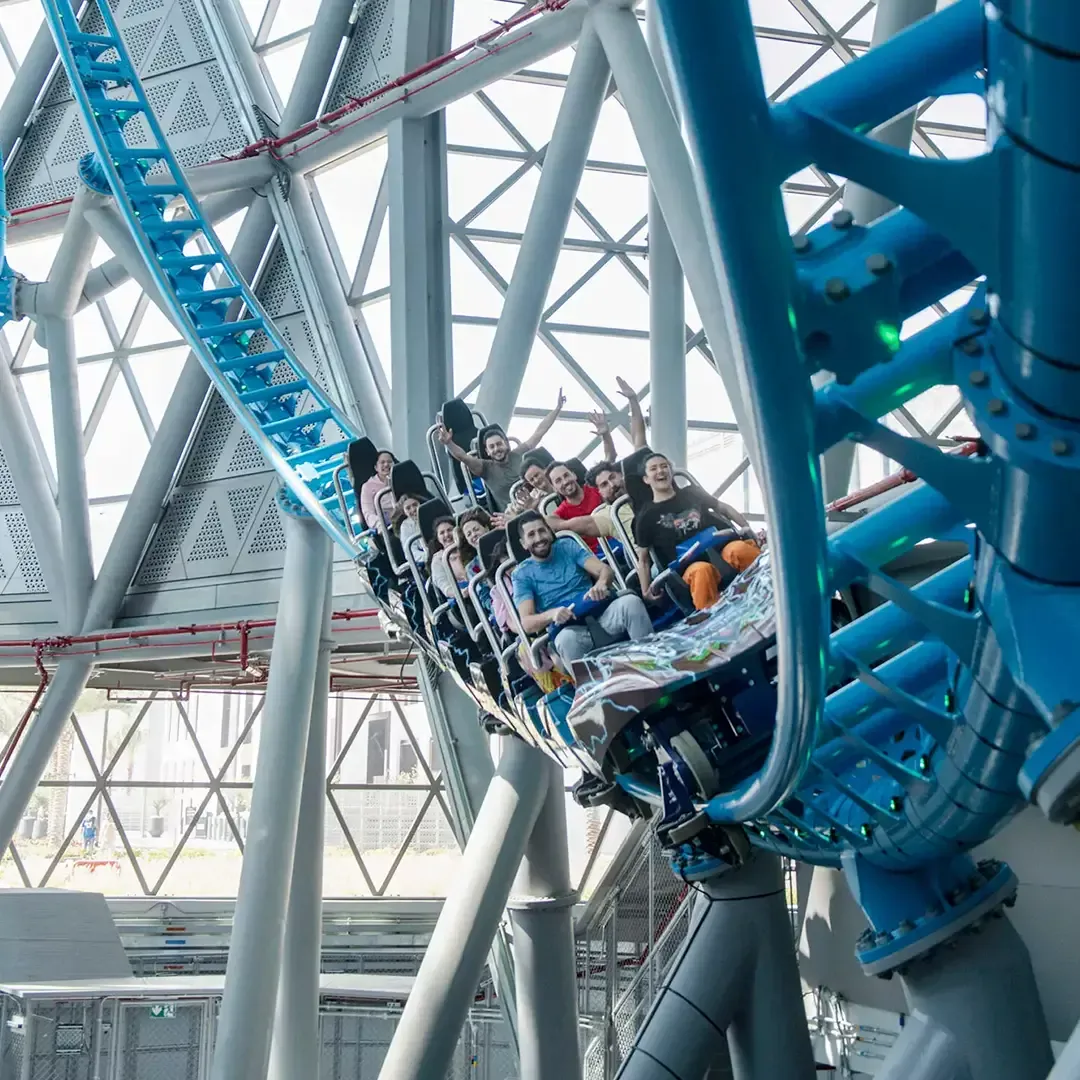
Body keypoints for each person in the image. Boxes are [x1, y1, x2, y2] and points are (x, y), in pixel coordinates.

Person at [511, 511, 653, 672]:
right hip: (570, 630)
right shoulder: (521, 574)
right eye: (531, 535)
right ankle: (596, 686)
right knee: (566, 640)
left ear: (549, 532)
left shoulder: (566, 546)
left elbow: (604, 570)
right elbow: (527, 623)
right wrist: (552, 614)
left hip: (599, 612)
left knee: (631, 603)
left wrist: (601, 584)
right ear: (524, 543)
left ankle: (651, 664)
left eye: (542, 531)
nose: (538, 538)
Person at [633, 452, 761, 610]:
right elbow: (644, 559)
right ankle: (712, 615)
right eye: (654, 469)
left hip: (721, 548)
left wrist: (747, 529)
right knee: (702, 571)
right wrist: (646, 590)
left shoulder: (691, 493)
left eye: (664, 466)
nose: (660, 471)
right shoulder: (646, 517)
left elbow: (724, 508)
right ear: (646, 479)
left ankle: (771, 585)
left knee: (738, 550)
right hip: (689, 566)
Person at [435, 390, 566, 510]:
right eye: (492, 447)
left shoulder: (519, 453)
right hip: (516, 514)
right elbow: (463, 457)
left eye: (499, 444)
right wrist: (449, 443)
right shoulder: (485, 468)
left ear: (506, 444)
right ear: (487, 451)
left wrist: (557, 409)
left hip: (540, 504)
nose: (497, 449)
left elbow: (539, 432)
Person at [548, 462, 604, 552]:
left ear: (574, 475)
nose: (565, 482)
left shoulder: (596, 489)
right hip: (596, 555)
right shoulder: (561, 512)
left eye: (566, 475)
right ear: (554, 488)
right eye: (558, 481)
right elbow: (548, 522)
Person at [359, 449, 396, 529]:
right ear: (376, 467)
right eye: (382, 462)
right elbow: (369, 513)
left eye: (389, 462)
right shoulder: (367, 487)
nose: (386, 465)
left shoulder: (401, 479)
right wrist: (380, 525)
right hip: (385, 524)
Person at [428, 516, 459, 599]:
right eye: (442, 533)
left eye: (450, 530)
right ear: (438, 538)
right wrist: (460, 592)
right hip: (460, 596)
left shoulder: (467, 548)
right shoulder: (438, 560)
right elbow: (445, 586)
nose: (447, 534)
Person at [392, 493, 427, 565]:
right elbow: (410, 552)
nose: (413, 509)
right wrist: (428, 556)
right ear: (404, 512)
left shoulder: (430, 513)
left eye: (415, 505)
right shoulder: (405, 526)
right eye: (408, 508)